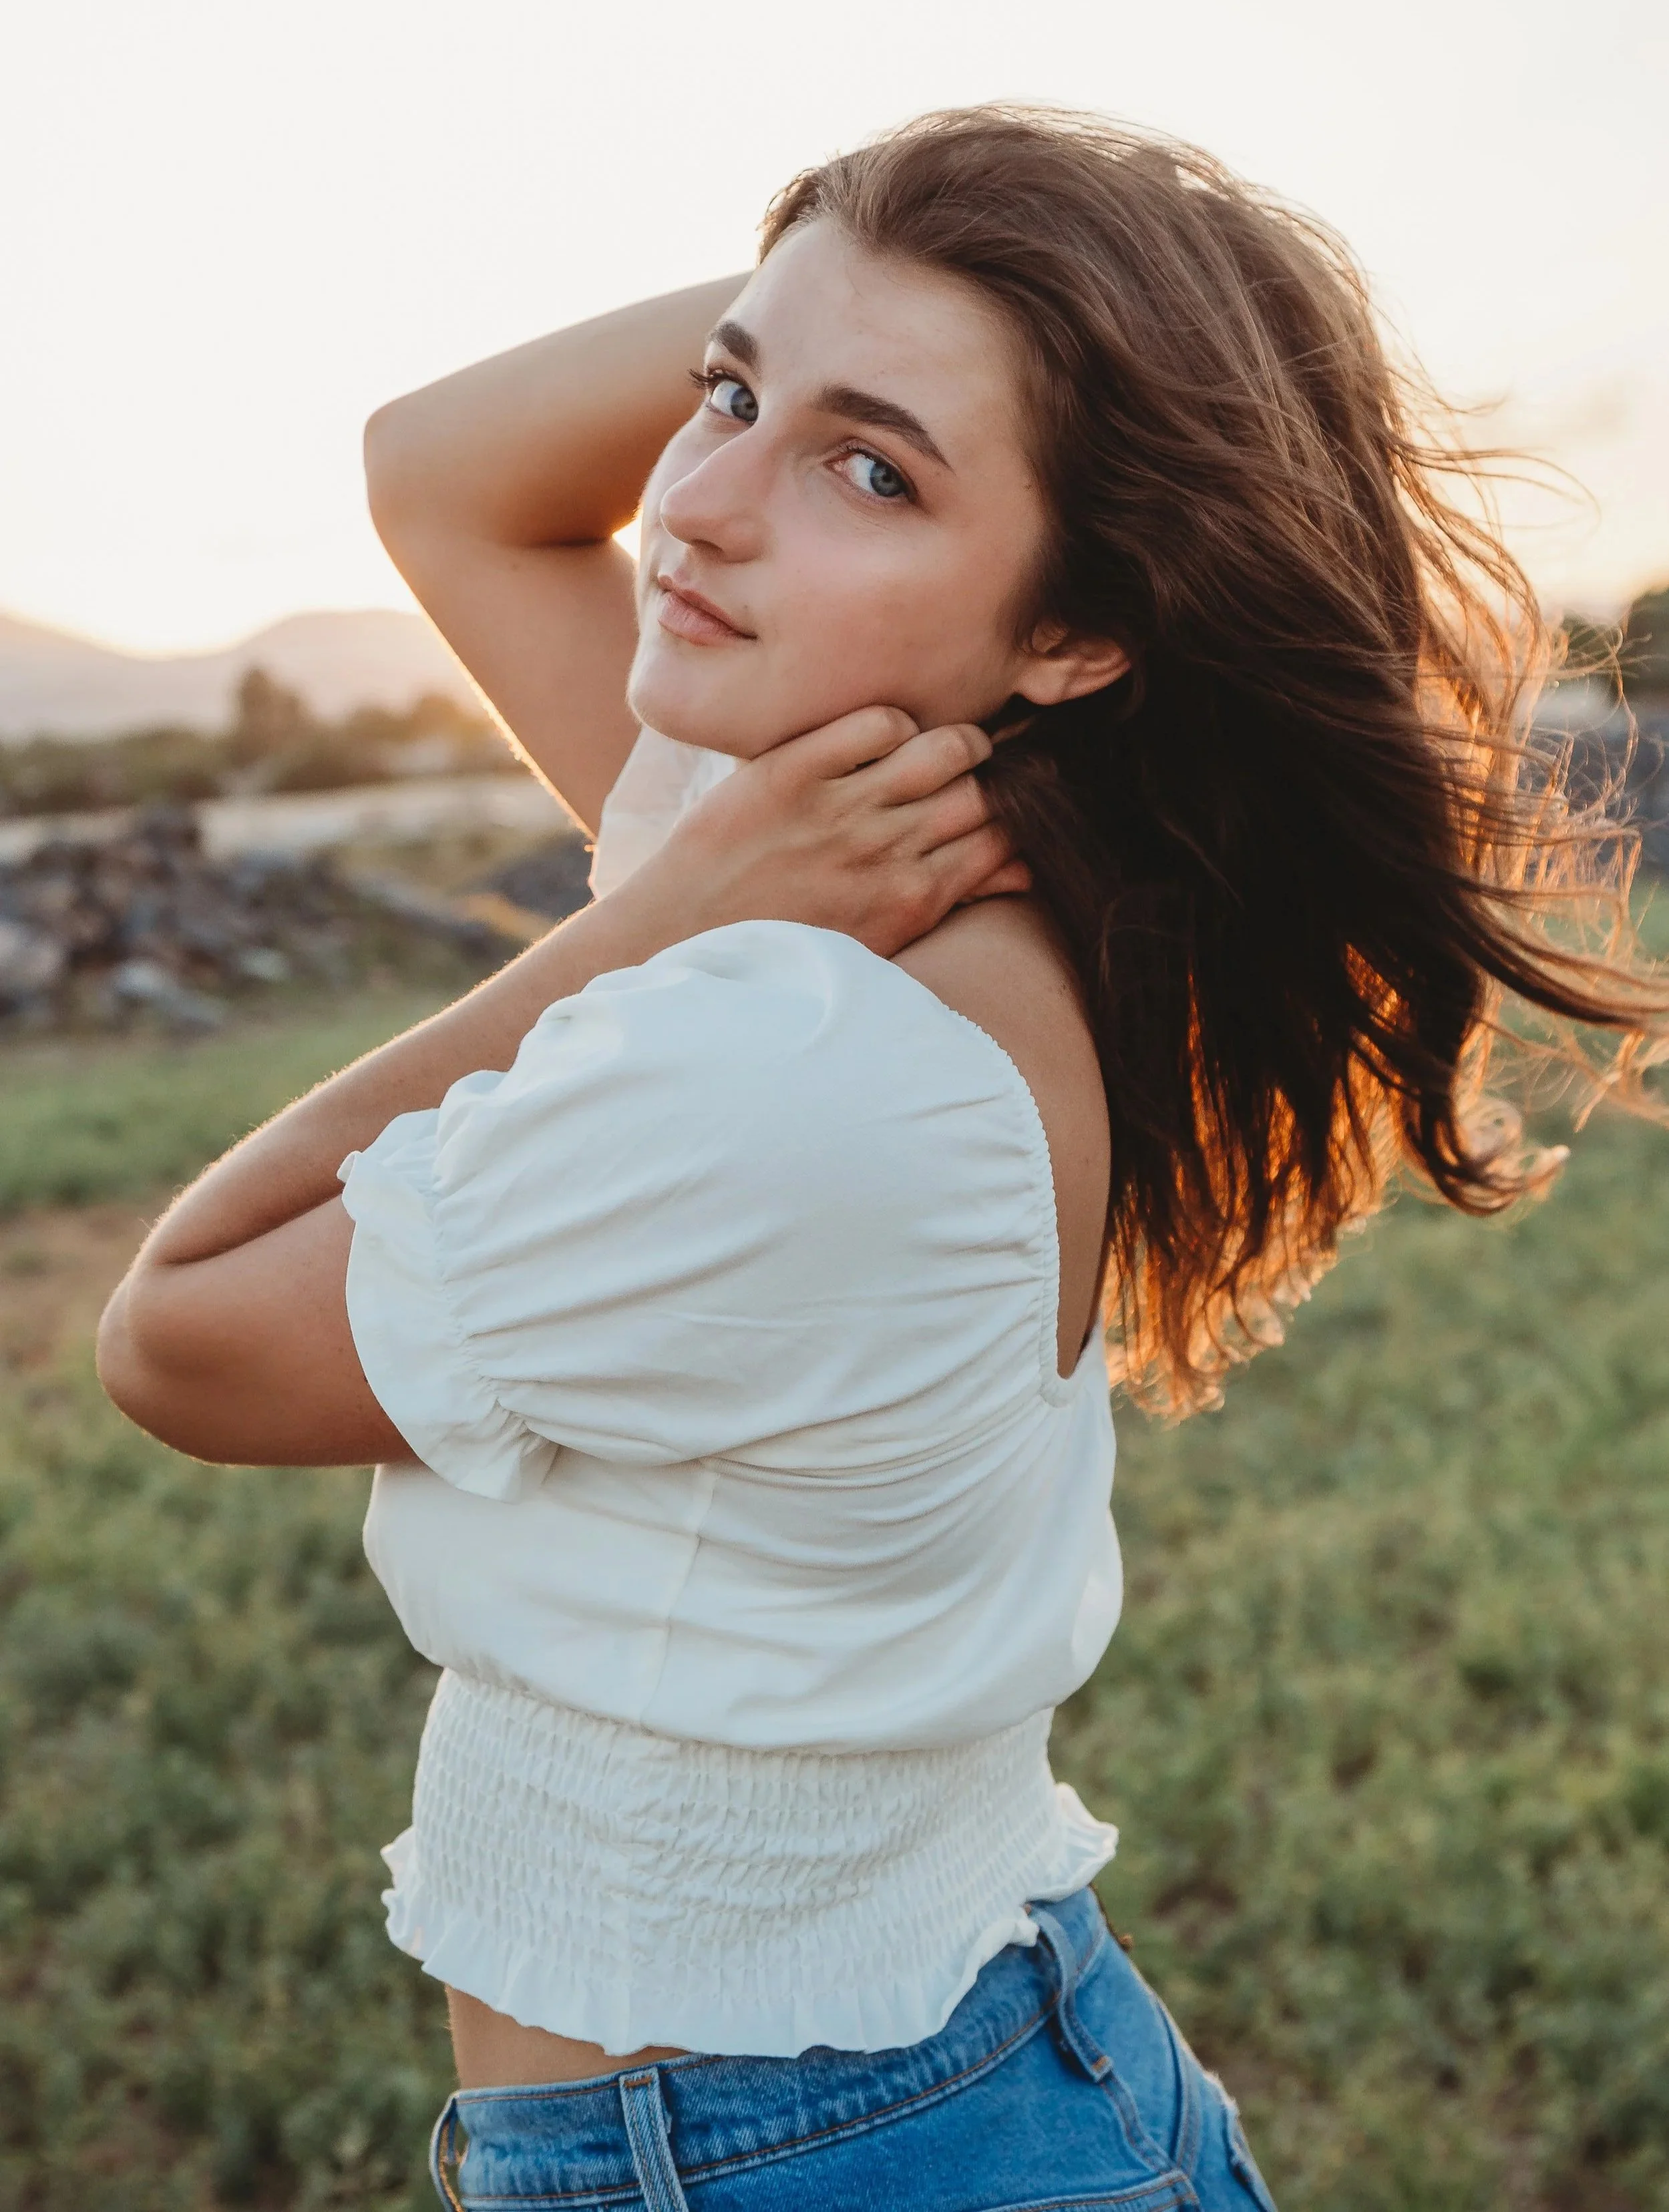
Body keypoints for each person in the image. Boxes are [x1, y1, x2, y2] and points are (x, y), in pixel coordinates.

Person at [96, 106, 1666, 2211]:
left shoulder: (799, 1029)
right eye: (727, 398)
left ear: (1076, 633)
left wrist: (632, 930)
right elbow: (441, 475)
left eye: (871, 471)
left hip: (797, 2156)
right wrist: (890, 254)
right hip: (906, 2094)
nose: (699, 506)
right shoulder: (926, 854)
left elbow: (174, 1342)